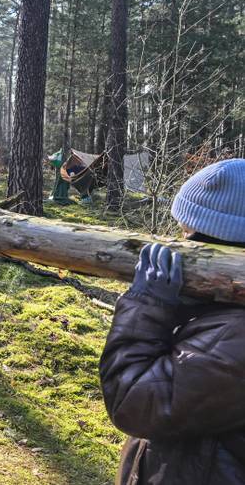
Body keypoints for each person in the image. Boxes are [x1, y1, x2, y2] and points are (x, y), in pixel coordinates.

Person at [100, 159, 245, 485]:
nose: (179, 242)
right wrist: (184, 307)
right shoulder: (226, 315)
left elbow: (133, 401)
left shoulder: (236, 339)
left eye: (186, 234)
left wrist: (148, 306)